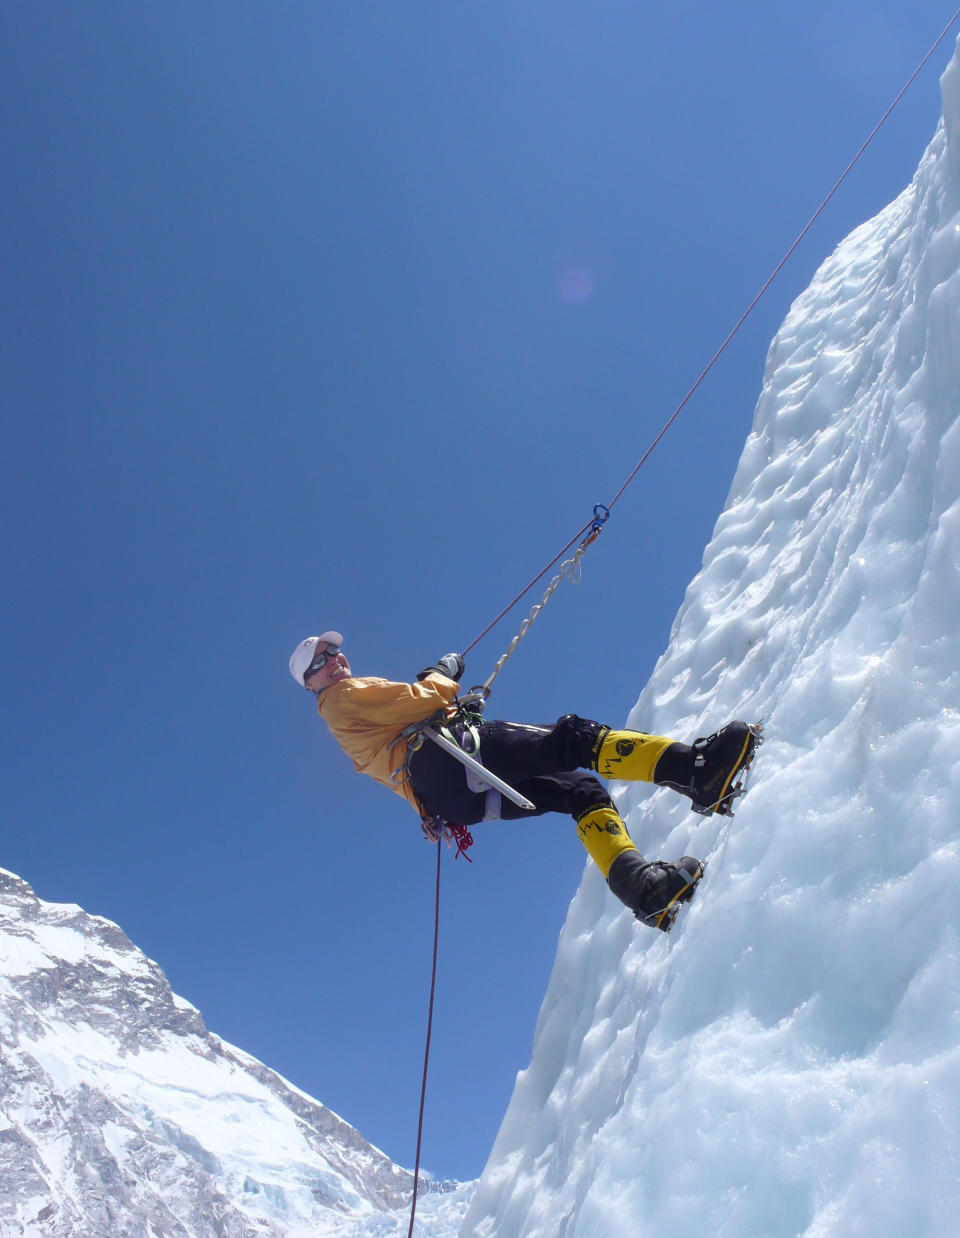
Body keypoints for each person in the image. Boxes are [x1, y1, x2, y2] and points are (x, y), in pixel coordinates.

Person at [289, 632, 759, 931]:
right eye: (321, 660)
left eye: (334, 651)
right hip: (444, 757)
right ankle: (699, 773)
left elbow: (397, 745)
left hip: (448, 795)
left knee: (580, 791)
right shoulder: (342, 697)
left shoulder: (341, 721)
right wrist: (442, 675)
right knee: (571, 738)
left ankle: (641, 889)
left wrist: (451, 713)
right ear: (311, 683)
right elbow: (417, 701)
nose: (335, 659)